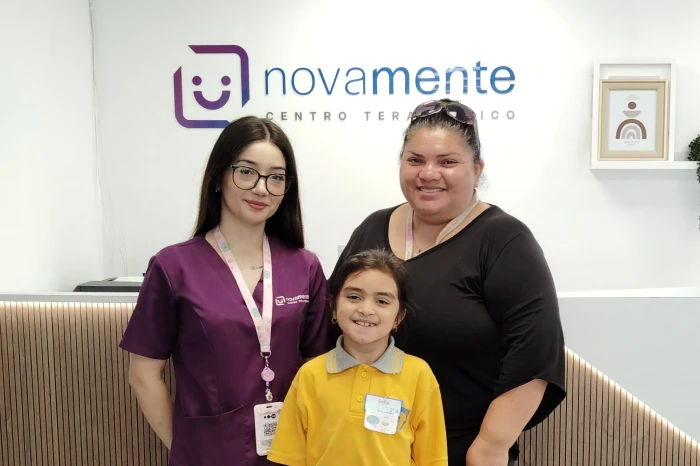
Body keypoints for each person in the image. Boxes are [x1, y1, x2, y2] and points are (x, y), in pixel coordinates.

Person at [328, 99, 566, 466]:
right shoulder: (372, 227)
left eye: (447, 162)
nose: (428, 173)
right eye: (415, 160)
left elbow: (534, 354)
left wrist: (490, 446)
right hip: (366, 447)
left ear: (477, 169)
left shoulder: (504, 240)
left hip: (460, 448)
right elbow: (333, 319)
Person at [119, 116, 329, 466]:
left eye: (276, 177)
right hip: (208, 455)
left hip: (291, 452)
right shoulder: (173, 267)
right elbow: (143, 374)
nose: (261, 188)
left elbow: (318, 366)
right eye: (246, 172)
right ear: (218, 177)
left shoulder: (304, 267)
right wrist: (187, 450)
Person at [267, 248, 449, 466]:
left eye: (382, 301)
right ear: (334, 306)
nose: (366, 309)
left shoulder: (419, 375)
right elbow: (291, 457)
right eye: (354, 297)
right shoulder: (310, 375)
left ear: (399, 317)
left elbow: (432, 459)